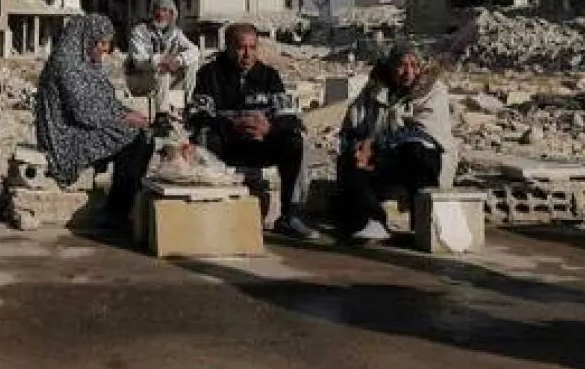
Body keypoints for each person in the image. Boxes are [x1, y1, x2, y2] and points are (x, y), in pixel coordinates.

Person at [187, 23, 317, 240]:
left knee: (294, 142)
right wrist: (232, 124)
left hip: (260, 144)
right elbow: (198, 116)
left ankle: (290, 215)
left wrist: (269, 127)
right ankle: (208, 210)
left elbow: (289, 117)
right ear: (227, 47)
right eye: (240, 48)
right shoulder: (208, 75)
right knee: (204, 137)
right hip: (226, 145)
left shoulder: (269, 76)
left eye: (252, 47)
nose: (247, 54)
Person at [35, 13, 153, 232]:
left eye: (108, 43)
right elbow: (84, 112)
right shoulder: (67, 63)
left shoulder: (87, 63)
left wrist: (129, 113)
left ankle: (123, 203)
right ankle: (117, 212)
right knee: (132, 137)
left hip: (81, 124)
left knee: (143, 134)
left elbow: (105, 102)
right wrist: (124, 118)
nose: (105, 49)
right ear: (87, 38)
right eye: (101, 43)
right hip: (65, 134)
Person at [334, 43, 457, 242]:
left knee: (415, 151)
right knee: (350, 160)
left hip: (421, 160)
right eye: (401, 65)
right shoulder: (374, 91)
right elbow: (351, 126)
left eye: (414, 65)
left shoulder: (433, 91)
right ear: (391, 67)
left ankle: (423, 223)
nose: (408, 72)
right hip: (384, 159)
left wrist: (373, 144)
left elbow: (424, 134)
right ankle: (373, 221)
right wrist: (357, 147)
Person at [125, 0, 200, 123]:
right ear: (153, 12)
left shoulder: (175, 33)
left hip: (162, 80)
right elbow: (139, 61)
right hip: (140, 79)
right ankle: (162, 115)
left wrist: (178, 60)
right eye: (158, 10)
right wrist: (164, 61)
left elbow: (195, 50)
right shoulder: (140, 31)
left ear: (172, 14)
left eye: (166, 11)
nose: (161, 14)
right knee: (162, 69)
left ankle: (189, 105)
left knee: (192, 62)